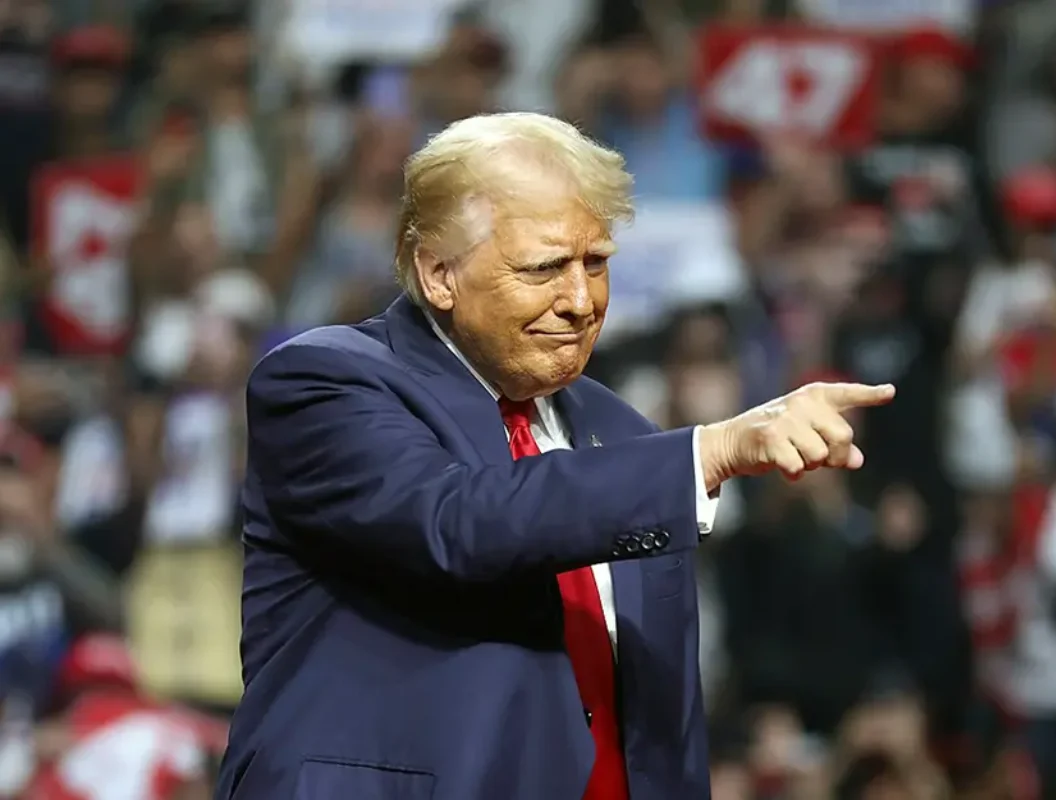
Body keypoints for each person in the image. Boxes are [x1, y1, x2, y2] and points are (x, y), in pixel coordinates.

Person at [216, 112, 894, 800]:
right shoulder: (324, 382)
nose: (579, 300)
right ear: (439, 272)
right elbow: (456, 523)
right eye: (543, 268)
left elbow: (662, 714)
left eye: (595, 262)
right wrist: (707, 449)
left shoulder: (625, 435)